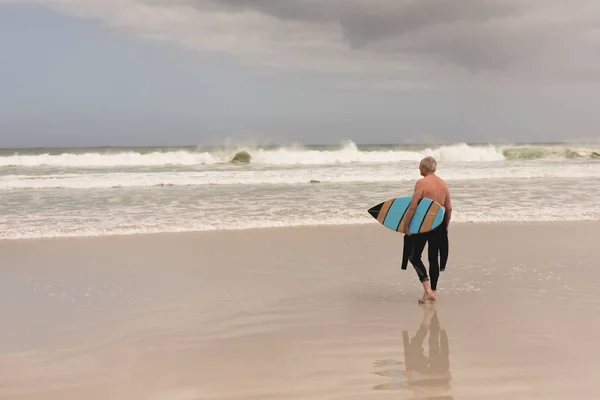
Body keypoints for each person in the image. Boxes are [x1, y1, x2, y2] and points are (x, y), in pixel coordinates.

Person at [402, 156, 452, 303]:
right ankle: (433, 292)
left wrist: (406, 225)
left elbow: (413, 206)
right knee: (433, 258)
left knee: (414, 256)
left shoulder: (421, 183)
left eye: (419, 166)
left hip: (424, 224)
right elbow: (448, 207)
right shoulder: (443, 184)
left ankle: (427, 290)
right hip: (439, 224)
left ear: (424, 167)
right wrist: (446, 226)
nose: (419, 169)